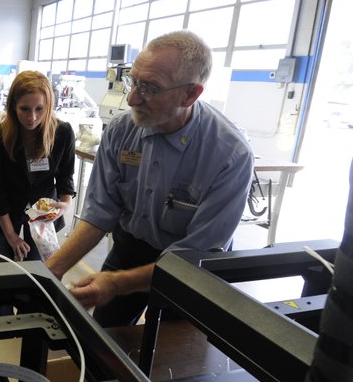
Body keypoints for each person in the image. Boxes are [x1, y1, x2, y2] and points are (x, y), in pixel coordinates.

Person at [45, 30, 254, 327]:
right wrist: (53, 269)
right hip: (131, 247)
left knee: (175, 355)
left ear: (190, 94)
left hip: (192, 265)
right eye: (134, 81)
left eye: (150, 88)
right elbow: (100, 212)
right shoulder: (120, 131)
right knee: (105, 337)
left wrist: (116, 284)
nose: (132, 98)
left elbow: (193, 256)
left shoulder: (229, 156)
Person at [0, 71, 76, 316]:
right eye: (25, 109)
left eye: (40, 109)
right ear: (13, 105)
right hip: (6, 217)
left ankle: (31, 329)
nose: (32, 117)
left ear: (49, 106)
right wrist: (12, 236)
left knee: (38, 283)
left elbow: (66, 182)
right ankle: (2, 331)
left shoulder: (63, 133)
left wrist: (64, 206)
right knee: (3, 284)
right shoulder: (0, 136)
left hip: (43, 222)